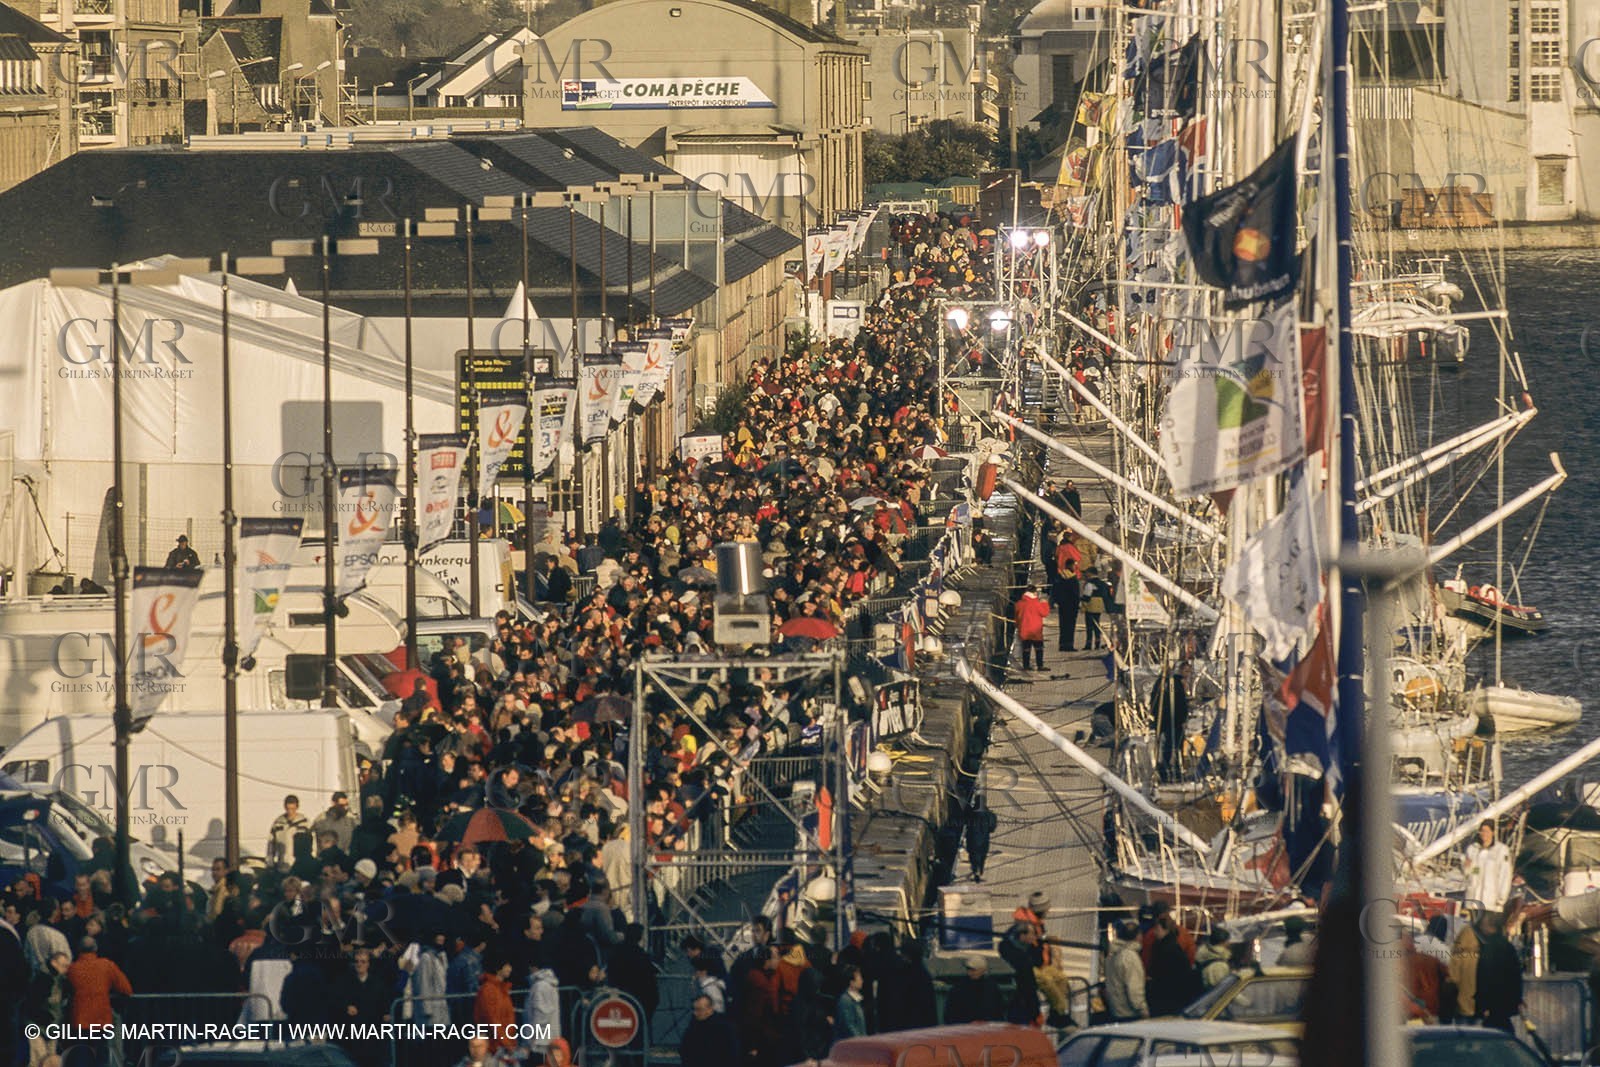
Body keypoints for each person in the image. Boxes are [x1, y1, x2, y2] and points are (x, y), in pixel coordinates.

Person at [66, 936, 131, 1026]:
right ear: (96, 948)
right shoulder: (106, 965)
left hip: (78, 1016)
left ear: (78, 949)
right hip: (101, 1017)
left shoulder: (71, 968)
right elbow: (126, 989)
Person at [1474, 912, 1523, 1032]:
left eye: (1483, 925)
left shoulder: (1489, 947)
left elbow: (1484, 976)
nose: (1481, 928)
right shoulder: (1508, 946)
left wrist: (1482, 1003)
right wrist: (1517, 999)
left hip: (1493, 1002)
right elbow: (1516, 975)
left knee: (1493, 1031)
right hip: (1506, 1001)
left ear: (1490, 926)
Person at [1145, 913, 1199, 1016]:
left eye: (1157, 929)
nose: (1155, 932)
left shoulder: (1165, 948)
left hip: (1167, 997)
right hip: (1173, 996)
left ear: (1165, 929)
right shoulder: (1171, 946)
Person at [1463, 821, 1514, 914]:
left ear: (1493, 832)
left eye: (1487, 831)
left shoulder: (1501, 850)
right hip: (1473, 900)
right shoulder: (1472, 849)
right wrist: (1467, 867)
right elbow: (1472, 873)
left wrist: (1502, 898)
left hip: (1491, 903)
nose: (1484, 834)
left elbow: (1505, 875)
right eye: (1482, 831)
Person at [1104, 921, 1148, 1022]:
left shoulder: (1112, 955)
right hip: (1130, 1013)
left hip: (1116, 1010)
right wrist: (1142, 1009)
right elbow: (1134, 988)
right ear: (1137, 936)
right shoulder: (1130, 957)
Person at [681, 993, 740, 1063]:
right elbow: (684, 1050)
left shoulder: (724, 1028)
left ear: (710, 1009)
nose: (695, 1013)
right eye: (694, 1009)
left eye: (699, 1009)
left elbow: (732, 1054)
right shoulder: (692, 1027)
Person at [943, 955, 1003, 1024]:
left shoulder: (991, 988)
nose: (970, 972)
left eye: (973, 969)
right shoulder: (959, 988)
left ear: (983, 970)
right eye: (968, 969)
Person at [1014, 587, 1051, 672]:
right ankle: (1040, 665)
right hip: (1035, 630)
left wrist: (1018, 626)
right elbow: (1044, 613)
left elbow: (1016, 617)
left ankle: (1026, 666)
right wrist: (1045, 604)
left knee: (1026, 648)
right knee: (1039, 648)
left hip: (1024, 629)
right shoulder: (1036, 603)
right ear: (1034, 593)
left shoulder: (1019, 604)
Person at [268, 795, 309, 870]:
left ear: (297, 807)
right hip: (282, 862)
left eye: (292, 809)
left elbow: (312, 842)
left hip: (299, 863)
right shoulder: (278, 822)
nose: (290, 811)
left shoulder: (304, 822)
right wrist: (270, 859)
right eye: (288, 809)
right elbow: (271, 842)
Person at [965, 795, 998, 882]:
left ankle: (975, 870)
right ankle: (980, 870)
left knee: (973, 856)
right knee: (982, 856)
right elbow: (992, 828)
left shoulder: (970, 812)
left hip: (971, 838)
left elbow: (963, 821)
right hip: (984, 839)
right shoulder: (990, 815)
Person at [833, 964, 867, 1041]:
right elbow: (849, 1027)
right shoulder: (845, 1001)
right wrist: (862, 1042)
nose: (862, 980)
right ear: (851, 982)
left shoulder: (855, 999)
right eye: (859, 978)